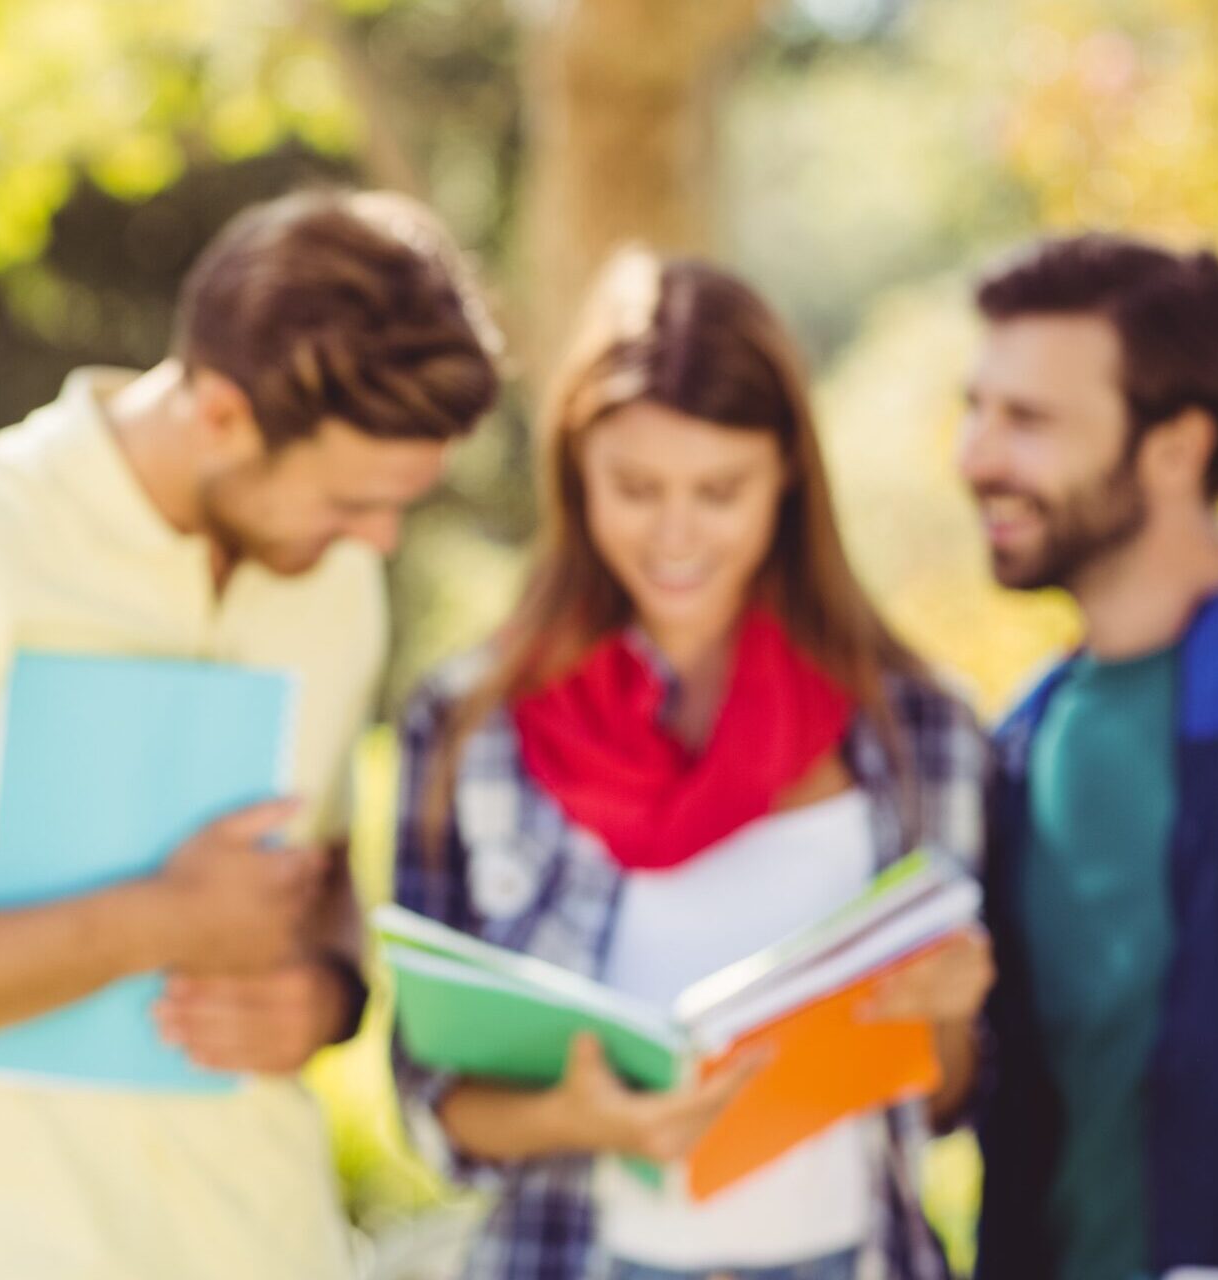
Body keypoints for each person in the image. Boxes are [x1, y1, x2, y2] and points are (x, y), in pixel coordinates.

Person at [0, 189, 501, 1280]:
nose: (378, 538)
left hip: (270, 1237)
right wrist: (159, 917)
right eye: (349, 501)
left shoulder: (336, 580)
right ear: (220, 412)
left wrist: (327, 992)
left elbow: (320, 880)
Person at [393, 249, 991, 1280]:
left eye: (719, 490)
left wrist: (946, 1011)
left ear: (788, 476)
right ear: (575, 473)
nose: (674, 534)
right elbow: (431, 1100)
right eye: (634, 486)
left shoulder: (915, 725)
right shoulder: (468, 725)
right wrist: (574, 1116)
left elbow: (943, 1103)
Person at [960, 233, 1218, 1277]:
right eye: (977, 408)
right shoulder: (1016, 740)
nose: (977, 456)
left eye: (1028, 420)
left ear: (1175, 445)